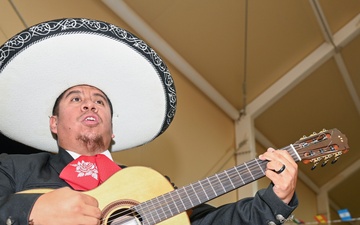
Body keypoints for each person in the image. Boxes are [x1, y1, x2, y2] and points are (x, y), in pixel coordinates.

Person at [0, 18, 298, 225]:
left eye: (100, 101)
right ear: (53, 123)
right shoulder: (14, 168)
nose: (90, 102)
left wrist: (275, 199)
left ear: (113, 130)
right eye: (75, 99)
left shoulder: (152, 185)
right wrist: (30, 211)